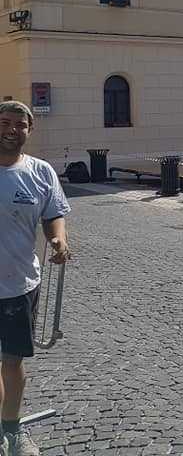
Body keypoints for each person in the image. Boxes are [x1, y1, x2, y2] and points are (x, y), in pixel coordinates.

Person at [0, 101, 71, 456]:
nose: (11, 130)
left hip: (18, 284)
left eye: (20, 124)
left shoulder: (40, 172)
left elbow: (53, 214)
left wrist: (59, 239)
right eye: (4, 122)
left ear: (30, 129)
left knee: (12, 362)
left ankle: (12, 431)